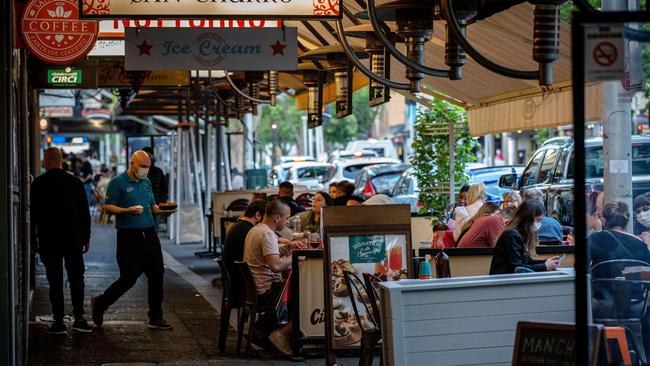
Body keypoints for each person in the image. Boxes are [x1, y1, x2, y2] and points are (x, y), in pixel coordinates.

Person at [91, 151, 175, 330]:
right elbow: (107, 206)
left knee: (157, 274)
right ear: (132, 164)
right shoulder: (118, 182)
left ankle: (156, 317)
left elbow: (152, 206)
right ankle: (100, 303)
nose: (145, 170)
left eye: (148, 167)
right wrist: (127, 210)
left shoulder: (146, 183)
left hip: (149, 234)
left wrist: (162, 211)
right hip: (129, 236)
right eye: (143, 167)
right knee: (128, 278)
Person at [31, 147, 92, 334]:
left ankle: (58, 321)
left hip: (49, 240)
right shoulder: (75, 182)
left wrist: (33, 240)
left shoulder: (39, 183)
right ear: (61, 161)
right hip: (72, 239)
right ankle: (79, 318)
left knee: (55, 281)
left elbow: (32, 215)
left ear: (46, 161)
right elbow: (85, 213)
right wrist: (86, 238)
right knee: (76, 279)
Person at [243, 199, 294, 356]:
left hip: (254, 289)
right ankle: (281, 334)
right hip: (265, 291)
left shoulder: (256, 230)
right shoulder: (267, 234)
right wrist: (296, 256)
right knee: (304, 295)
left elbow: (270, 255)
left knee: (294, 288)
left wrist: (289, 248)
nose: (287, 222)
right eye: (286, 218)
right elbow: (276, 266)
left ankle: (259, 329)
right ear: (277, 217)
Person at [489, 201, 562, 274]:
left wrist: (546, 262)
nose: (539, 223)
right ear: (528, 219)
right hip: (504, 282)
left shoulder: (517, 234)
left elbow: (527, 262)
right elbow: (517, 268)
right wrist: (545, 266)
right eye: (538, 220)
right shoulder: (512, 235)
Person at [588, 201, 650, 267]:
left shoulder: (594, 239)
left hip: (600, 276)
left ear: (603, 221)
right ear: (626, 222)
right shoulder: (640, 243)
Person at [142, 147, 169, 234]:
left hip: (155, 205)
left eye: (150, 156)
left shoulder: (158, 172)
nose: (148, 158)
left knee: (154, 229)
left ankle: (152, 246)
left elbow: (164, 189)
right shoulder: (138, 172)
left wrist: (162, 202)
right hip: (141, 206)